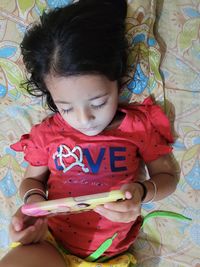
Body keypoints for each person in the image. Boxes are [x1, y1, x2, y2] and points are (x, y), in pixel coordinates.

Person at [0, 0, 177, 266]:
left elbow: (167, 177)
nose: (85, 120)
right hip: (49, 244)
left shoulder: (138, 127)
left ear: (117, 81)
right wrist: (34, 206)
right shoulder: (48, 134)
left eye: (98, 103)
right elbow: (31, 181)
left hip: (107, 257)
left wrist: (142, 191)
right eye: (66, 107)